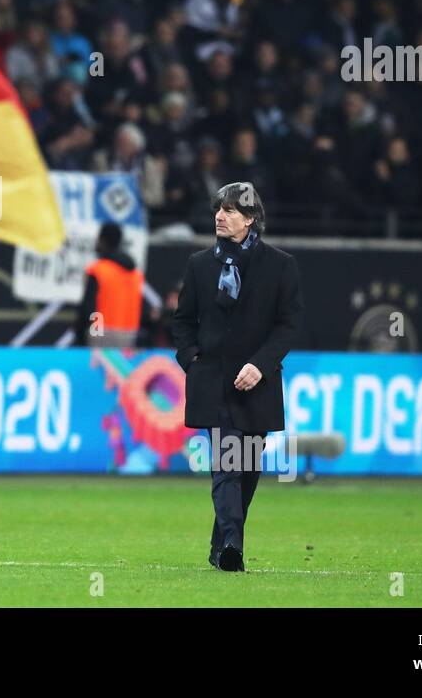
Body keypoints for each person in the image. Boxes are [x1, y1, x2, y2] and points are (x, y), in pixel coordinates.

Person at [170, 182, 303, 572]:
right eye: (218, 209)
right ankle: (233, 546)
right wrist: (192, 359)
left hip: (256, 385)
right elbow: (182, 323)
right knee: (227, 464)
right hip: (213, 383)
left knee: (246, 471)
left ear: (250, 219)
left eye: (229, 210)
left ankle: (219, 545)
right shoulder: (199, 264)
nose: (220, 216)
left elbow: (288, 326)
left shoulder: (280, 265)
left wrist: (259, 365)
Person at [72, 222, 144, 349]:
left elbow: (89, 307)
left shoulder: (98, 270)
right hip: (129, 337)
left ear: (102, 241)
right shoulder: (135, 274)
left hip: (101, 335)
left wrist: (87, 333)